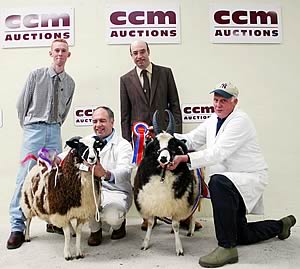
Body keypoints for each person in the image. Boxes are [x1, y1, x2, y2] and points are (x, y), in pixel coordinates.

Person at [167, 81, 296, 267]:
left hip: (247, 178)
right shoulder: (213, 119)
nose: (218, 105)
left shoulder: (240, 120)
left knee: (217, 181)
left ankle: (226, 248)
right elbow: (192, 139)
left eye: (224, 101)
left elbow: (218, 153)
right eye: (216, 100)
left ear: (235, 102)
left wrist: (185, 158)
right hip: (231, 183)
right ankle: (281, 225)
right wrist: (166, 137)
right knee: (241, 235)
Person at [120, 39, 202, 231]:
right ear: (131, 56)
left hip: (166, 137)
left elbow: (175, 104)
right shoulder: (125, 79)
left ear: (149, 51)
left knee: (175, 175)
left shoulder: (165, 73)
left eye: (142, 52)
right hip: (142, 139)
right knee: (146, 177)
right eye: (135, 53)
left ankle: (182, 216)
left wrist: (177, 138)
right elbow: (125, 115)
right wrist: (127, 143)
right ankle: (149, 216)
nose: (139, 56)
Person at [7, 38, 75, 250]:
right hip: (34, 130)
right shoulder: (36, 76)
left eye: (63, 50)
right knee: (25, 175)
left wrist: (53, 127)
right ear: (50, 53)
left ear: (68, 55)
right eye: (56, 50)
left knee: (53, 176)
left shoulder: (70, 82)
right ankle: (17, 226)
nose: (60, 54)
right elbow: (21, 106)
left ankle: (52, 220)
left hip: (54, 130)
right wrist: (30, 126)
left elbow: (65, 111)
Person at [84, 106, 133, 246]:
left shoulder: (123, 145)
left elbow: (125, 171)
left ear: (112, 122)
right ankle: (95, 230)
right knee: (85, 203)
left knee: (112, 217)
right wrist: (54, 158)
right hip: (93, 191)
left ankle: (119, 225)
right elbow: (68, 155)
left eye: (102, 121)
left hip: (116, 191)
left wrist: (106, 174)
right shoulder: (87, 141)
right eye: (94, 121)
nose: (98, 125)